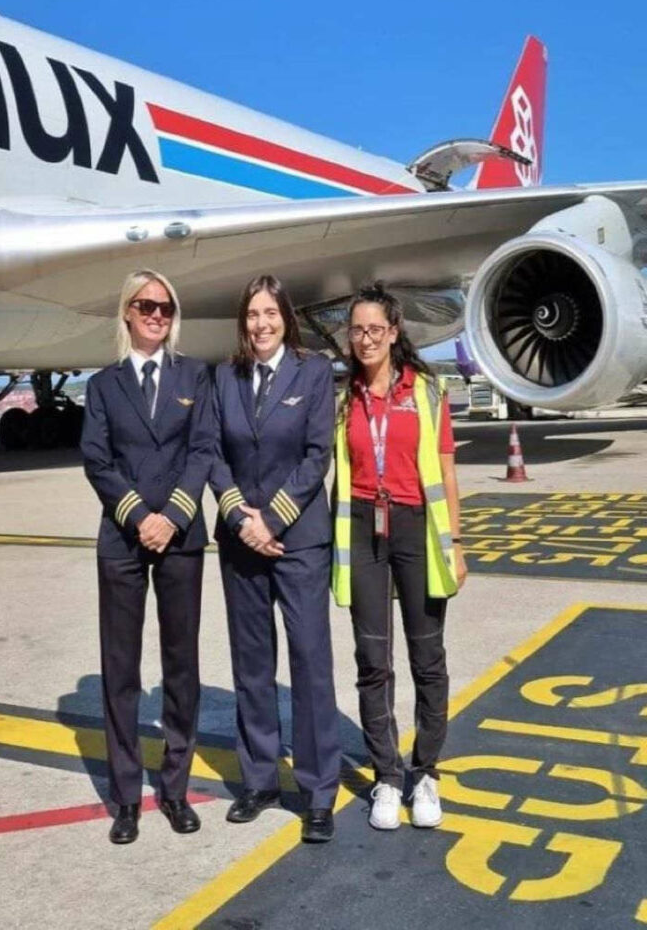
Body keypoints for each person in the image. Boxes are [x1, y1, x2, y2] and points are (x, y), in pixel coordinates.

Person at [81, 269, 213, 842]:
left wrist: (173, 517)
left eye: (164, 306)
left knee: (182, 667)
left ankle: (176, 789)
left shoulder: (194, 375)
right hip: (123, 538)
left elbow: (204, 450)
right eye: (145, 305)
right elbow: (97, 460)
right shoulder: (104, 385)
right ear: (127, 313)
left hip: (180, 536)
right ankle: (127, 797)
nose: (156, 315)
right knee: (122, 670)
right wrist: (140, 517)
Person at [210, 274, 342, 844]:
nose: (260, 325)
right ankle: (260, 780)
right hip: (242, 540)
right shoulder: (225, 375)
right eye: (251, 316)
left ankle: (317, 793)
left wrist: (274, 518)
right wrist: (243, 518)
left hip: (298, 539)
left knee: (310, 662)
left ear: (285, 316)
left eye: (269, 314)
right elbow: (212, 452)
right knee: (252, 662)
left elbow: (318, 455)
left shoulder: (312, 373)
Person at [331, 283, 467, 832]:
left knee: (426, 659)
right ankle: (388, 776)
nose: (366, 340)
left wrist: (456, 543)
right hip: (364, 528)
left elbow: (448, 469)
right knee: (372, 661)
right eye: (357, 330)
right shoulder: (343, 397)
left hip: (417, 528)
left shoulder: (427, 391)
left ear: (395, 333)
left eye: (376, 330)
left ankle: (426, 772)